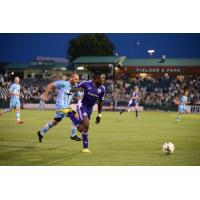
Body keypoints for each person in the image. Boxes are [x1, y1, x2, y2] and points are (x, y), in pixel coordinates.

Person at [36, 73, 82, 142]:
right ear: (71, 78)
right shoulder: (63, 83)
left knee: (54, 122)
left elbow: (79, 96)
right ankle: (73, 135)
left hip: (65, 107)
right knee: (75, 115)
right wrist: (45, 95)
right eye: (76, 79)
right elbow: (51, 85)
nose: (77, 81)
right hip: (60, 106)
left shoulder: (75, 87)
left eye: (78, 79)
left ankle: (41, 132)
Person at [76, 71, 106, 153]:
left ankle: (76, 123)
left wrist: (99, 115)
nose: (103, 80)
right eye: (102, 78)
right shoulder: (86, 84)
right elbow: (75, 88)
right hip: (82, 105)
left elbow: (100, 102)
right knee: (86, 124)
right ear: (96, 78)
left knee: (83, 128)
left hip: (89, 109)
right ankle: (85, 148)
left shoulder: (102, 89)